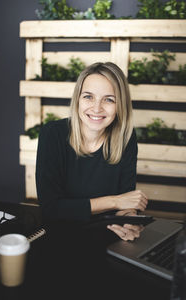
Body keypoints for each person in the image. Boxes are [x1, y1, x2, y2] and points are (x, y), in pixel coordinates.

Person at [36, 61, 148, 242]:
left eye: (109, 99)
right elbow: (51, 207)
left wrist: (129, 220)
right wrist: (115, 201)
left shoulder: (126, 137)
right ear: (78, 99)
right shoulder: (52, 134)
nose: (97, 108)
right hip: (59, 236)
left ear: (120, 105)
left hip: (108, 235)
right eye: (88, 97)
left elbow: (126, 200)